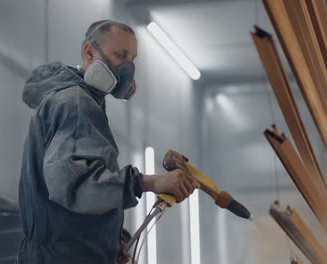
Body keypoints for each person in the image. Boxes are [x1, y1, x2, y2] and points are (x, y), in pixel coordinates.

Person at [17, 20, 196, 264]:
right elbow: (75, 185)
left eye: (132, 58)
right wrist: (153, 182)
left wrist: (111, 239)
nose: (128, 68)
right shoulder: (75, 103)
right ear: (89, 52)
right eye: (120, 55)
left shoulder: (79, 101)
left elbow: (78, 200)